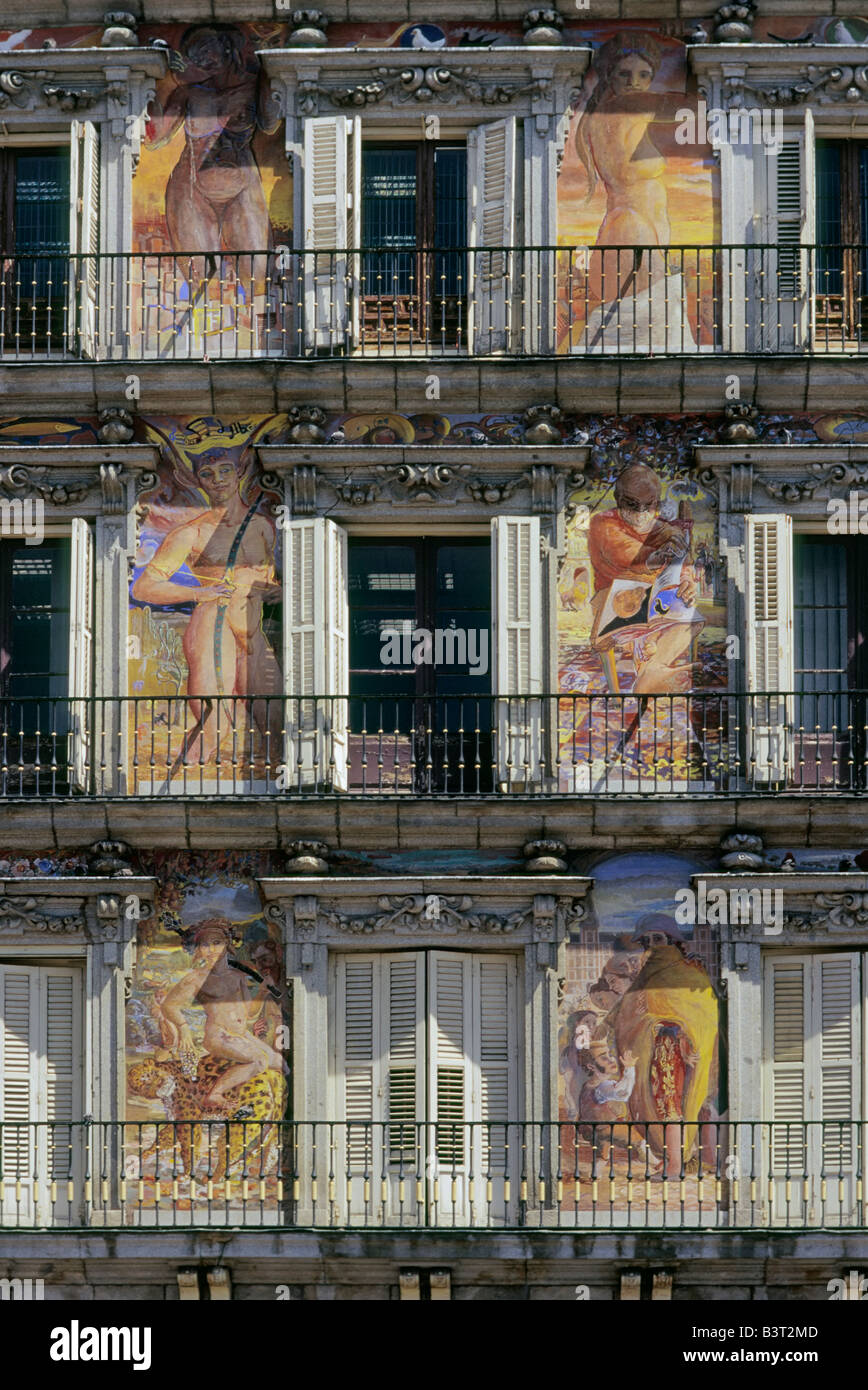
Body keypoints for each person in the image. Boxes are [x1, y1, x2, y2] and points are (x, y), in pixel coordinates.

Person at [132, 449, 281, 770]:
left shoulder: (264, 526)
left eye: (225, 470)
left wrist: (274, 592)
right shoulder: (191, 532)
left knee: (275, 716)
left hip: (254, 631)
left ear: (240, 471)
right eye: (207, 474)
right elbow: (144, 587)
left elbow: (270, 579)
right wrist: (200, 592)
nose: (218, 480)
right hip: (215, 624)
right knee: (216, 719)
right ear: (193, 479)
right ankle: (176, 795)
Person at [571, 32, 699, 352]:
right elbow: (693, 106)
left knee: (634, 336)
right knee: (649, 338)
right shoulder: (631, 102)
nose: (635, 83)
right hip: (634, 233)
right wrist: (699, 61)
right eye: (624, 74)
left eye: (644, 75)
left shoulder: (594, 118)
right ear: (610, 76)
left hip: (621, 231)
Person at [143, 23, 279, 255]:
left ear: (228, 48)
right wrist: (168, 79)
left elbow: (270, 124)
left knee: (257, 273)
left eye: (206, 47)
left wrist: (267, 74)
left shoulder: (251, 89)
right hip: (190, 186)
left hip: (242, 183)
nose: (200, 56)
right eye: (194, 51)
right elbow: (153, 138)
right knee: (198, 278)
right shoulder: (188, 93)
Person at [607, 913, 719, 1178]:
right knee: (665, 1109)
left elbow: (703, 1013)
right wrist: (642, 1023)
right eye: (647, 941)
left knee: (676, 1108)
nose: (652, 946)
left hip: (679, 1050)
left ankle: (677, 1166)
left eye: (657, 939)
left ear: (672, 941)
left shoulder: (689, 972)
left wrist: (683, 1038)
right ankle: (678, 1160)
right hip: (654, 1049)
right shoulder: (646, 975)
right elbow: (627, 1012)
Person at [587, 463, 702, 693]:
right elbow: (625, 553)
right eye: (632, 504)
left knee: (693, 619)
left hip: (657, 597)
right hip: (614, 598)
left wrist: (688, 582)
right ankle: (650, 664)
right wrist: (656, 556)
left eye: (648, 505)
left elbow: (684, 564)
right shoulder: (602, 523)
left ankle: (652, 670)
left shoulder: (664, 529)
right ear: (619, 500)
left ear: (656, 503)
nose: (640, 511)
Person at [160, 918, 288, 1116]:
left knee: (281, 1064)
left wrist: (262, 992)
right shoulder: (196, 978)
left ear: (227, 946)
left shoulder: (237, 977)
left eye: (217, 943)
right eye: (205, 944)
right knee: (258, 1061)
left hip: (242, 1034)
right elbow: (169, 1005)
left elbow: (248, 1014)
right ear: (199, 949)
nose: (211, 949)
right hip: (219, 1036)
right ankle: (215, 1094)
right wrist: (183, 1029)